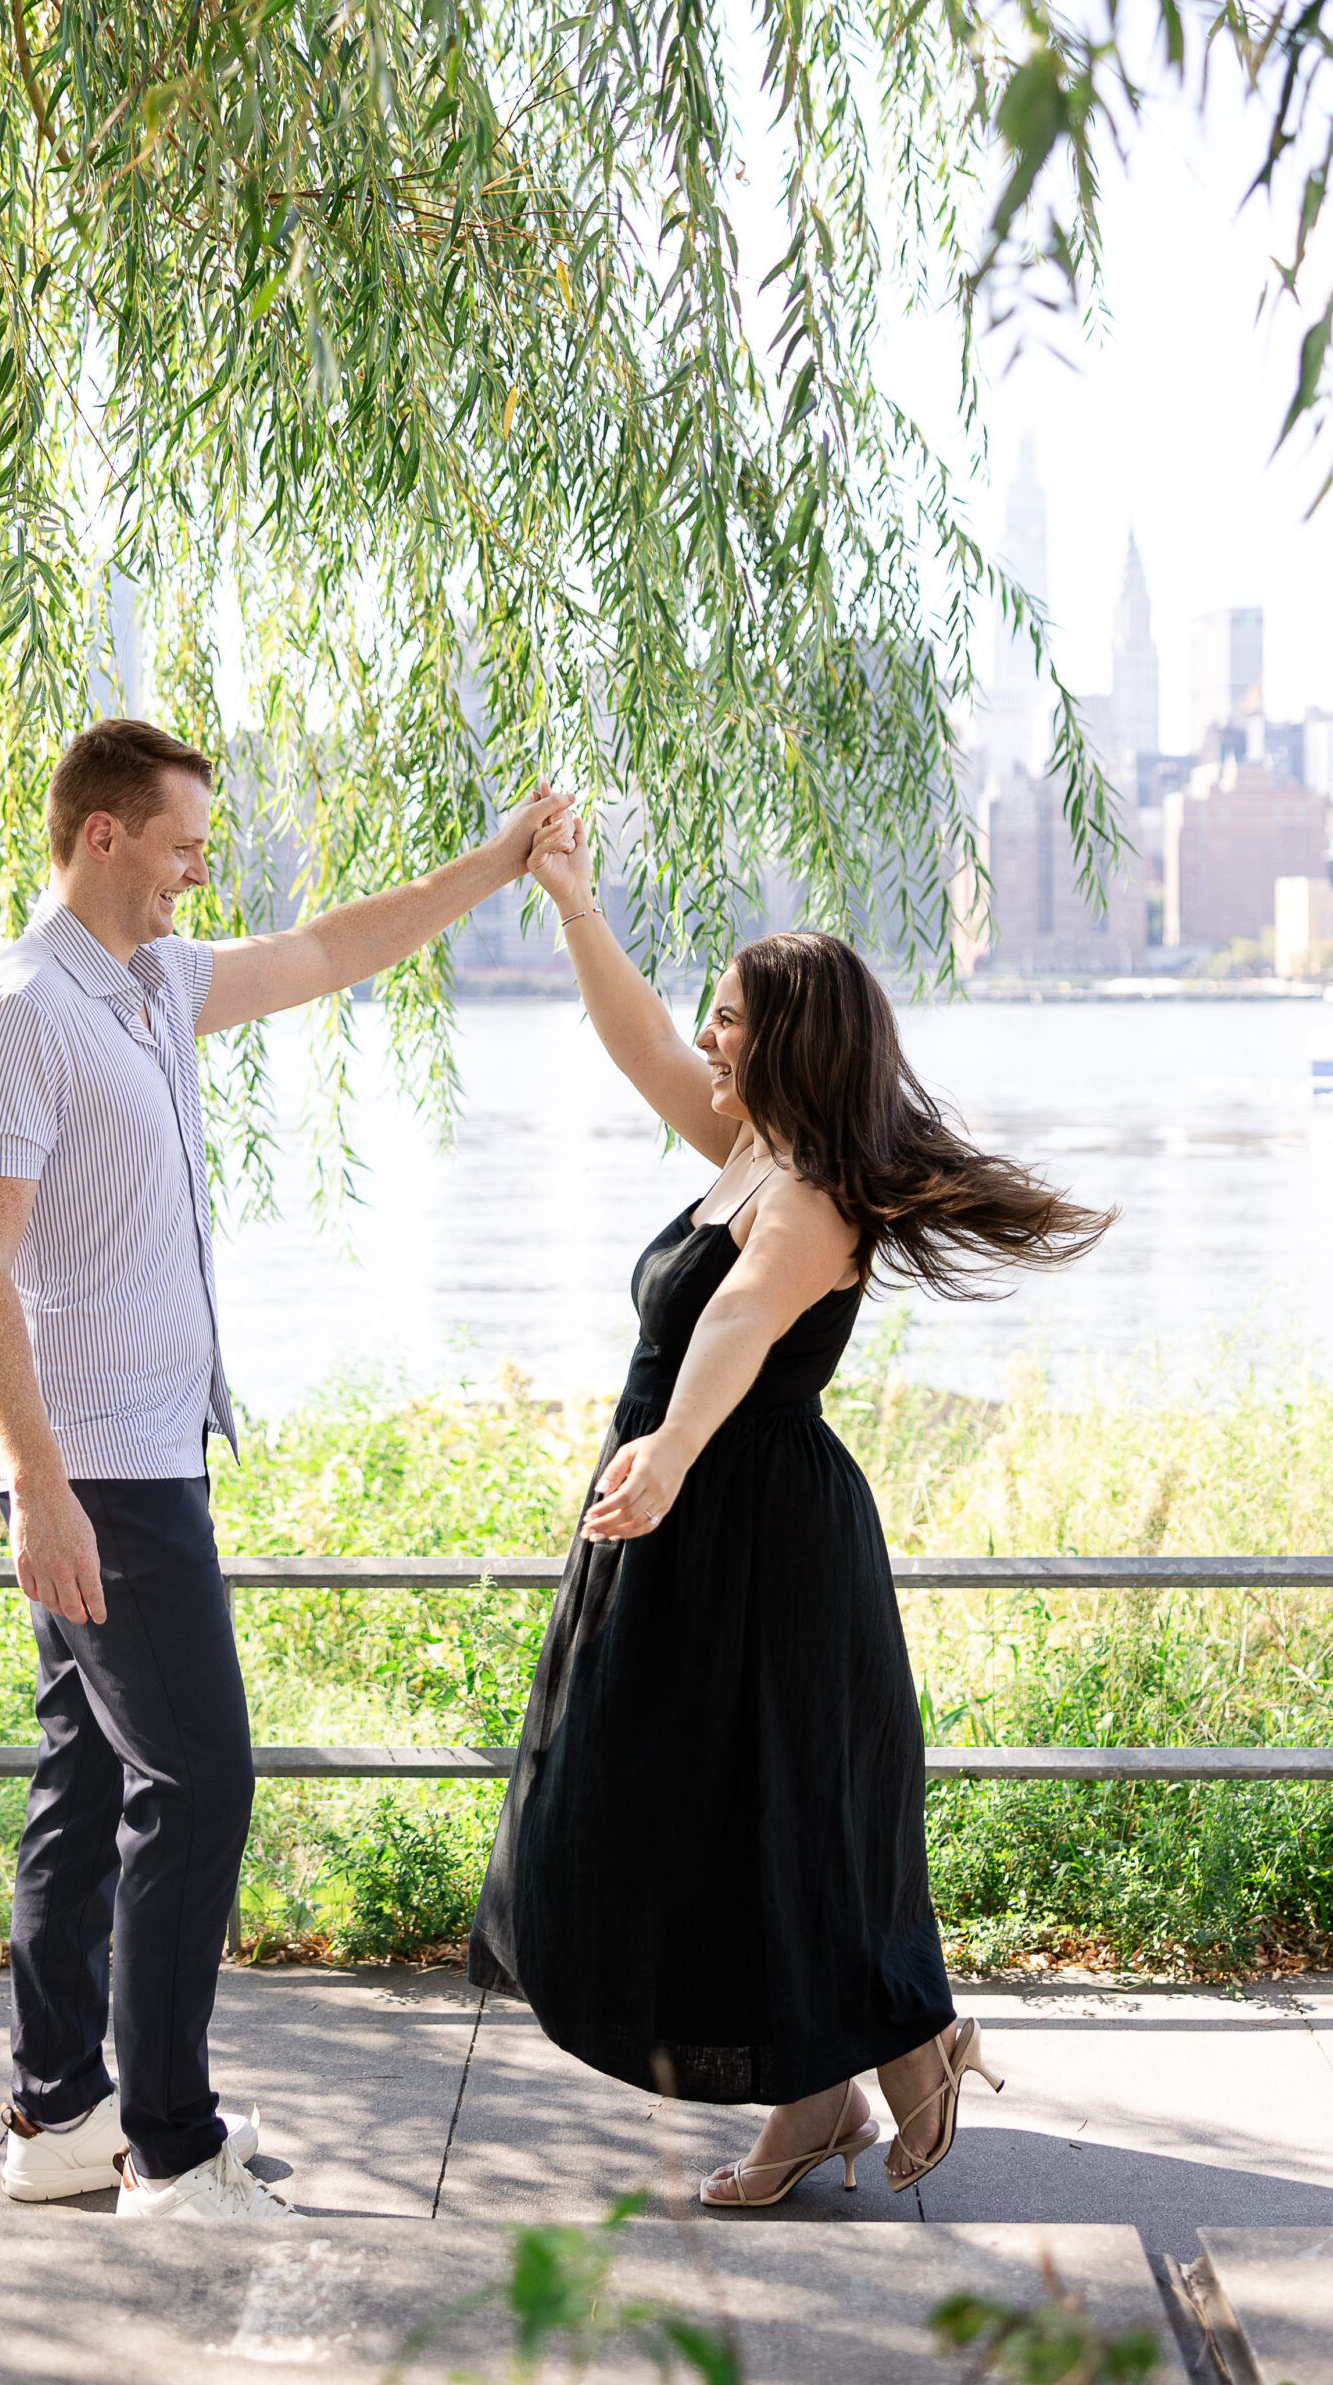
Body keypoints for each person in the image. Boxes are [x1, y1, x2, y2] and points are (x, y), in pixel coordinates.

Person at [0, 716, 568, 2224]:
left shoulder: (150, 986)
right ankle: (172, 2145)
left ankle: (59, 2116)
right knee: (199, 1782)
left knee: (90, 1778)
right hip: (97, 1473)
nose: (197, 874)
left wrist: (498, 865)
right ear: (101, 836)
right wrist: (37, 1486)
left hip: (150, 1454)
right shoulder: (21, 1011)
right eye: (180, 846)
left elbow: (334, 947)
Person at [468, 811, 1112, 2207]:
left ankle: (881, 2059)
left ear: (788, 1043)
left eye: (729, 1018)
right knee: (682, 1805)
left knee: (784, 1812)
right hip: (682, 1513)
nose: (705, 1036)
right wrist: (573, 902)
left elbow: (739, 1325)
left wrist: (667, 1450)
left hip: (752, 1524)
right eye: (711, 1013)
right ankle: (837, 2083)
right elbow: (640, 1042)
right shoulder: (750, 1145)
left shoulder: (812, 1196)